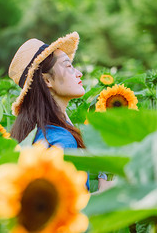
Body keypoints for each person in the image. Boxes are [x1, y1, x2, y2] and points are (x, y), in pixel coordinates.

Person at [8, 32, 112, 192]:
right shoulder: (62, 142)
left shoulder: (37, 132)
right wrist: (106, 190)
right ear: (47, 80)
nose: (79, 73)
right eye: (68, 66)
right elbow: (68, 207)